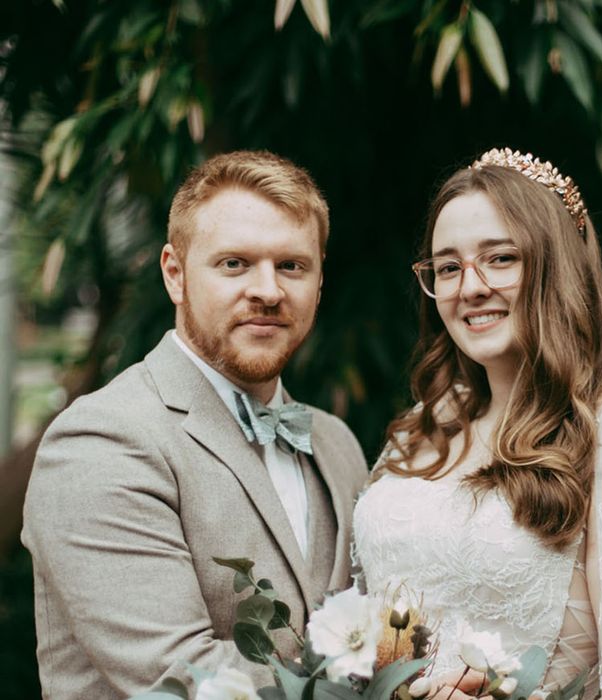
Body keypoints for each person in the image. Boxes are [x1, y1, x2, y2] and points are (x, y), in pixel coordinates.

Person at [353, 148, 602, 699]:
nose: (471, 286)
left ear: (556, 268)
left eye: (501, 258)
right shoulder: (423, 431)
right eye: (447, 267)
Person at [22, 150, 368, 699]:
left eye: (292, 266)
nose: (269, 291)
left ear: (320, 282)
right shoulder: (100, 441)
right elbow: (184, 677)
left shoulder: (336, 442)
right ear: (175, 274)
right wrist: (392, 675)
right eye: (234, 263)